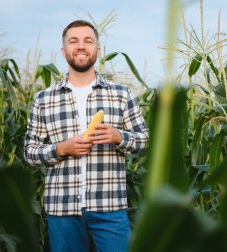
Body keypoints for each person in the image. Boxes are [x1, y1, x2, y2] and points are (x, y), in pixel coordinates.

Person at [24, 20, 149, 252]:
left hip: (110, 205)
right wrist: (61, 149)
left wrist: (118, 136)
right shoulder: (44, 99)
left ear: (97, 51)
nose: (81, 46)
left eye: (88, 41)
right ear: (64, 51)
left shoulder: (120, 94)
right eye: (74, 41)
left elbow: (145, 141)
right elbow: (30, 153)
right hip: (62, 208)